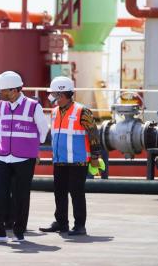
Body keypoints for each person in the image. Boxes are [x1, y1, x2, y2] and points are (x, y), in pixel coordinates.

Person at [0, 71, 49, 243]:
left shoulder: (33, 106)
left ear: (14, 90)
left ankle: (19, 232)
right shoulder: (2, 106)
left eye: (2, 91)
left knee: (21, 195)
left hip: (25, 158)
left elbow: (43, 129)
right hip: (4, 156)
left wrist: (32, 146)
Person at [39, 76, 101, 236]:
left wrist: (95, 157)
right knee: (59, 192)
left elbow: (93, 133)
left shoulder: (82, 111)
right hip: (60, 160)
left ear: (62, 94)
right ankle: (61, 223)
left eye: (53, 94)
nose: (51, 97)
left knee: (76, 193)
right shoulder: (54, 112)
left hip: (78, 161)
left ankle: (80, 225)